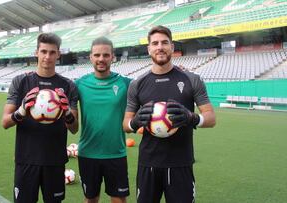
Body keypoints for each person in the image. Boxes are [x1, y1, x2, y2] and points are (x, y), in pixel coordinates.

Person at [122, 25, 216, 203]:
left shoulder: (191, 79)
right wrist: (134, 123)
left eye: (165, 43)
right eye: (155, 43)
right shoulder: (137, 84)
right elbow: (125, 124)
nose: (160, 47)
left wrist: (192, 118)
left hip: (181, 162)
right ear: (149, 48)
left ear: (172, 47)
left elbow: (211, 118)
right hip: (148, 163)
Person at [1, 33, 78, 203]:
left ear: (58, 54)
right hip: (26, 159)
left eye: (52, 52)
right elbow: (5, 122)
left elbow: (74, 128)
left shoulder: (68, 86)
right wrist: (21, 111)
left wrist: (66, 113)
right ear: (36, 52)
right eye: (43, 51)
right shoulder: (20, 81)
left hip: (55, 160)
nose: (47, 57)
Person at [75, 37, 131, 203]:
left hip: (116, 153)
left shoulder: (125, 83)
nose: (101, 59)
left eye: (106, 55)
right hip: (88, 153)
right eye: (97, 55)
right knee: (90, 199)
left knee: (119, 199)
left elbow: (150, 87)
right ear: (91, 57)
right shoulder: (79, 84)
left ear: (113, 56)